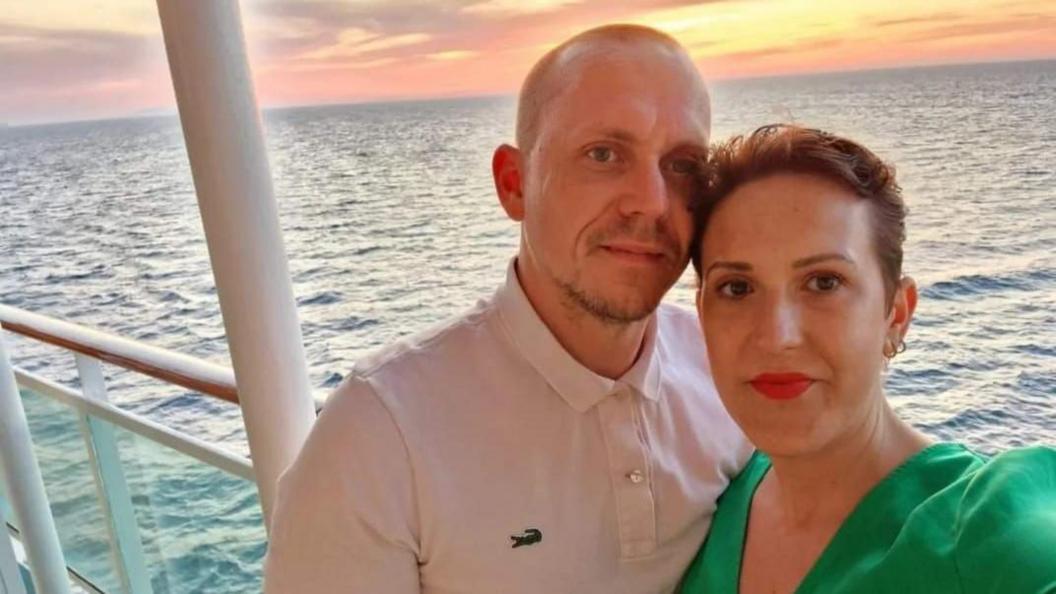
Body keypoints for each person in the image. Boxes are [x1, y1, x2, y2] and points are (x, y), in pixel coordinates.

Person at [263, 24, 751, 594]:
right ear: (514, 184)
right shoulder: (380, 434)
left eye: (683, 165)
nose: (651, 200)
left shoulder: (733, 373)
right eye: (603, 154)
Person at [680, 124, 1056, 594]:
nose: (776, 336)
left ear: (896, 314)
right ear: (702, 315)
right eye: (737, 288)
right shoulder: (713, 502)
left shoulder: (982, 527)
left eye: (824, 283)